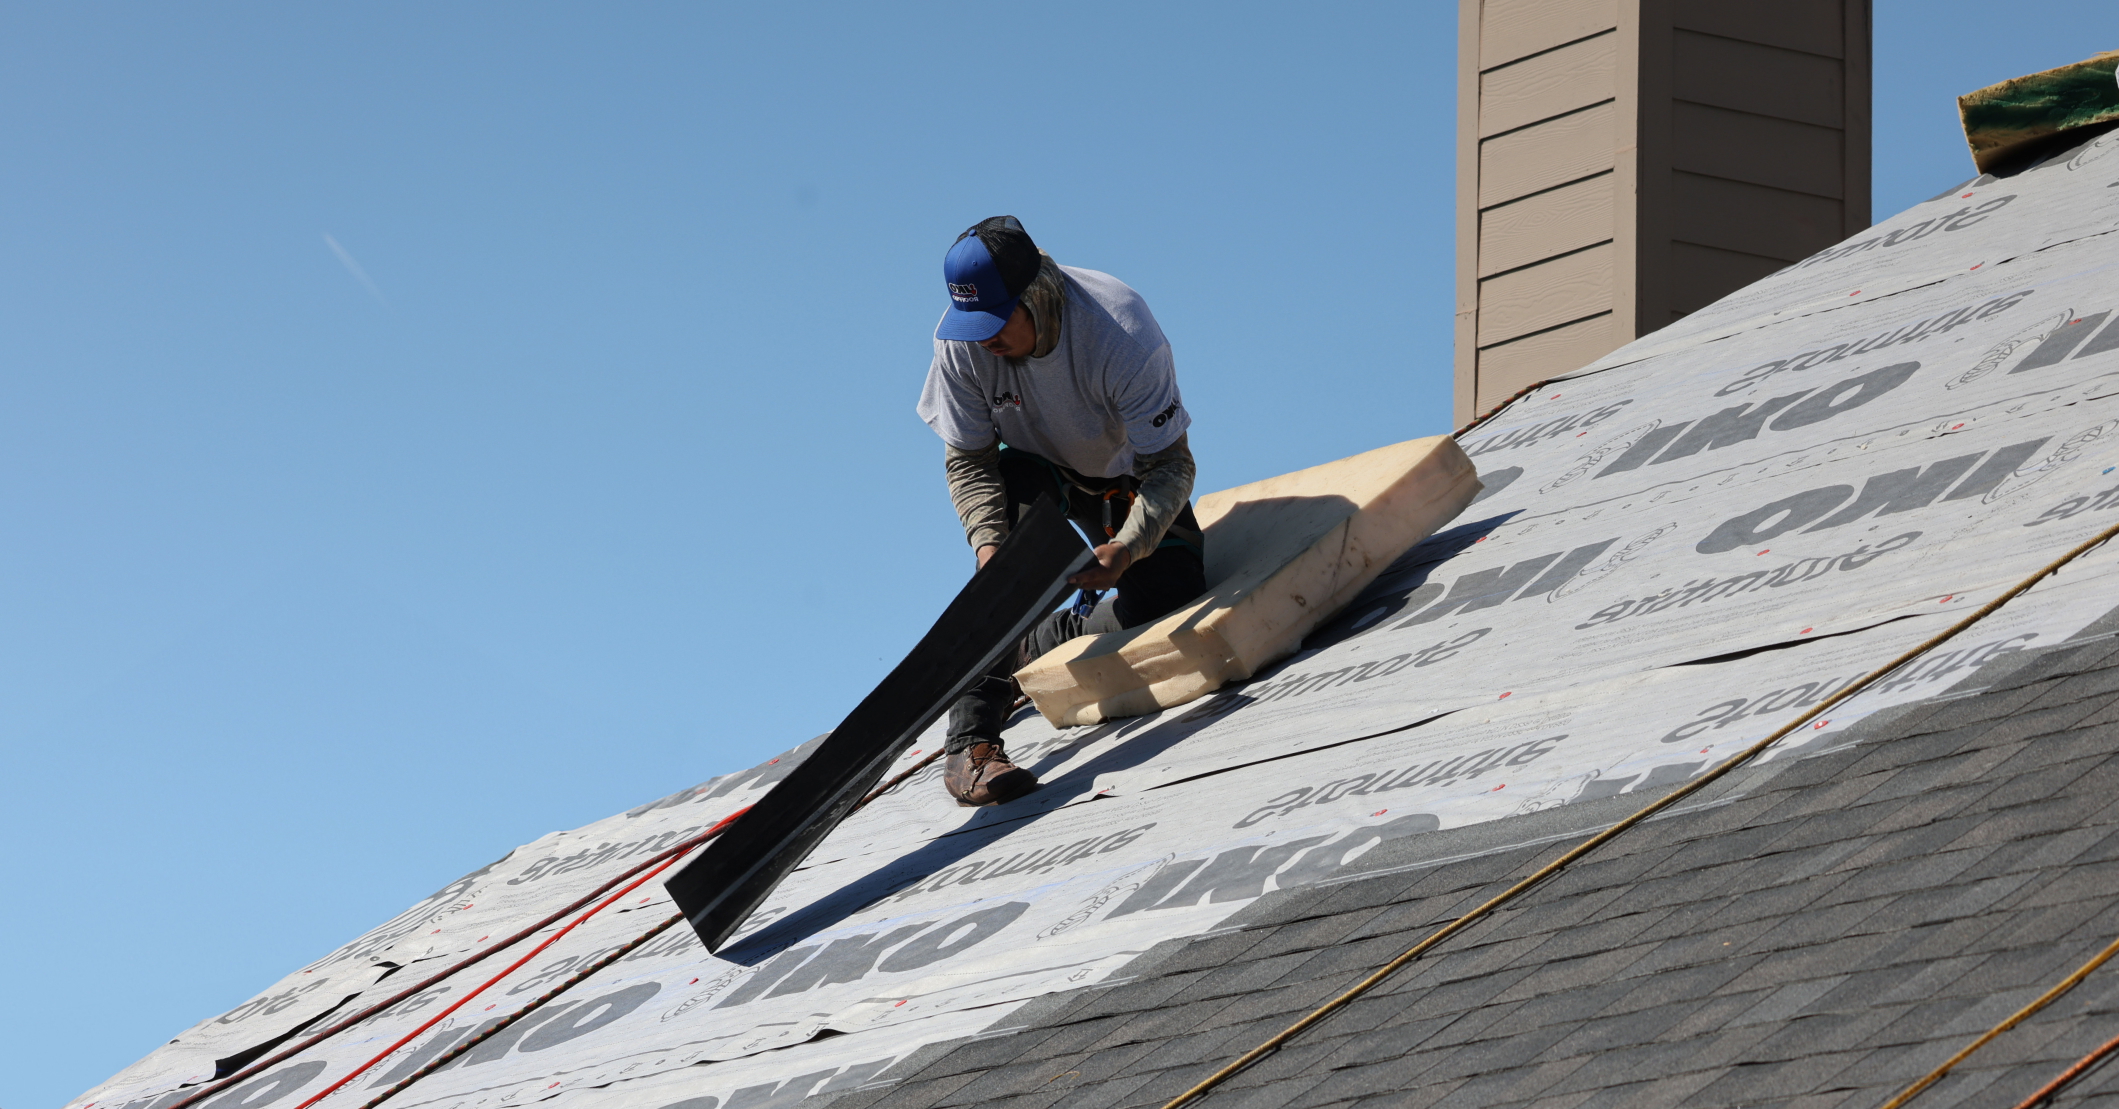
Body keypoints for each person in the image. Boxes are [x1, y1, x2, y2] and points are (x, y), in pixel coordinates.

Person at [917, 216, 1207, 805]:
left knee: (1174, 591)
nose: (984, 340)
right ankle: (971, 743)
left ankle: (1041, 641)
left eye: (997, 323)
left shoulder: (1121, 331)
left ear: (1038, 295)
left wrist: (1127, 547)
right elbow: (970, 463)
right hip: (1032, 470)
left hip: (1125, 479)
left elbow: (1171, 466)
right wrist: (989, 548)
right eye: (974, 327)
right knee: (1010, 573)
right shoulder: (961, 344)